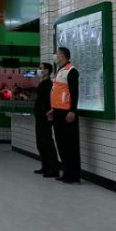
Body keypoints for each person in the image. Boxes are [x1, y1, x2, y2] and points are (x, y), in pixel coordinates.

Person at [48, 47, 80, 183]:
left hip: (67, 112)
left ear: (63, 55)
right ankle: (66, 172)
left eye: (57, 54)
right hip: (58, 111)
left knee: (69, 144)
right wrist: (53, 108)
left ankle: (73, 175)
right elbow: (57, 92)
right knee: (61, 143)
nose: (55, 56)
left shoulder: (71, 71)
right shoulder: (60, 71)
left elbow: (74, 92)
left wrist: (73, 110)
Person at [33, 63, 60, 178]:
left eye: (41, 68)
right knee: (40, 143)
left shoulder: (50, 84)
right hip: (39, 116)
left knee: (47, 142)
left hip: (45, 116)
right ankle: (45, 166)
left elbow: (53, 99)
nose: (39, 70)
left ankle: (54, 169)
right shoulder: (41, 83)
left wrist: (51, 110)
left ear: (47, 71)